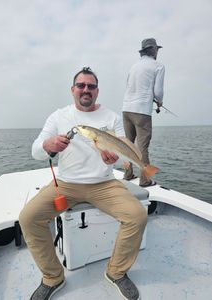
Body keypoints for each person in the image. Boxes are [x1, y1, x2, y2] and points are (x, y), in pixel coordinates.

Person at [19, 67, 147, 300]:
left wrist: (115, 159)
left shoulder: (112, 117)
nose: (86, 90)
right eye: (81, 85)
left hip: (105, 184)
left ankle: (116, 272)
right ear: (73, 89)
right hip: (66, 184)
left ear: (97, 91)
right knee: (29, 218)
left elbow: (121, 147)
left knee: (137, 216)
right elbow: (35, 150)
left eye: (91, 86)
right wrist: (48, 144)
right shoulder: (58, 116)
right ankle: (52, 277)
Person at [122, 38, 165, 187]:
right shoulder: (158, 66)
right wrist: (159, 100)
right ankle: (145, 180)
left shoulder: (133, 67)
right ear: (153, 50)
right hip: (142, 112)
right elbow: (158, 91)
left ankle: (127, 175)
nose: (157, 52)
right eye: (157, 49)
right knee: (143, 147)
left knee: (128, 145)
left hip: (126, 109)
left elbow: (129, 86)